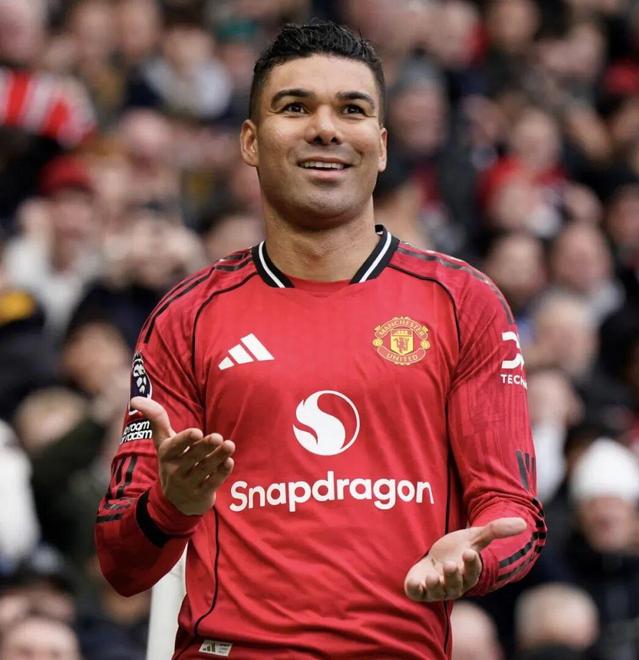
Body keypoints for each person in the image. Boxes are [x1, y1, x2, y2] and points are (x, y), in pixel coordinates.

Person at [95, 21, 546, 659]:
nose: (326, 129)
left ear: (381, 146)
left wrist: (478, 558)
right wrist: (173, 504)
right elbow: (121, 563)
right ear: (251, 141)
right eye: (295, 107)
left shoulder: (463, 303)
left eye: (352, 110)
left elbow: (514, 515)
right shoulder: (185, 318)